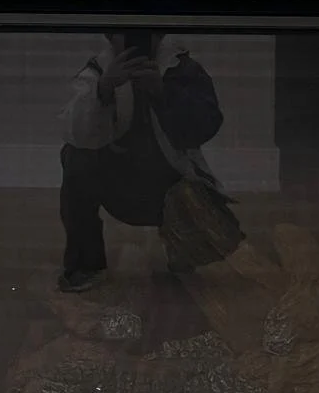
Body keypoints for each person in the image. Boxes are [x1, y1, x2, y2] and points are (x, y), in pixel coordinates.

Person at [57, 30, 243, 291]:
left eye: (145, 34)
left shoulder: (182, 69)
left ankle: (185, 252)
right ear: (110, 37)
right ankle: (85, 265)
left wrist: (163, 93)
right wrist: (103, 89)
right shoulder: (98, 71)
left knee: (193, 205)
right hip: (117, 184)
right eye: (126, 34)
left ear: (159, 34)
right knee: (75, 157)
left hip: (171, 185)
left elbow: (205, 128)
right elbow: (74, 133)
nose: (136, 40)